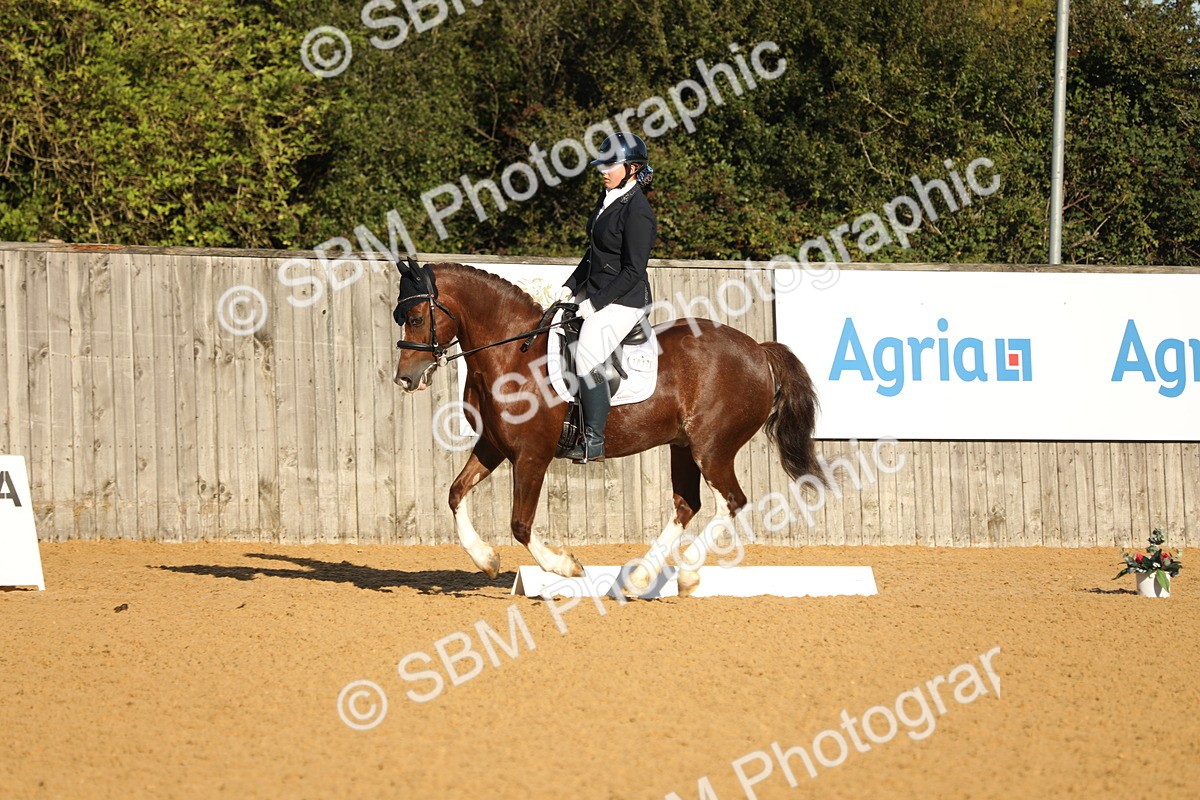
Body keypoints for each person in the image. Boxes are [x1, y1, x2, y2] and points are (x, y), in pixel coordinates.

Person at [558, 132, 657, 463]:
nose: (602, 170)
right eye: (601, 164)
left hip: (625, 299)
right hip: (598, 293)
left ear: (631, 168)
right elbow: (593, 254)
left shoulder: (638, 211)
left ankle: (594, 441)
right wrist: (570, 287)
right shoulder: (608, 200)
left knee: (586, 354)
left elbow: (632, 270)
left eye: (610, 164)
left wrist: (594, 304)